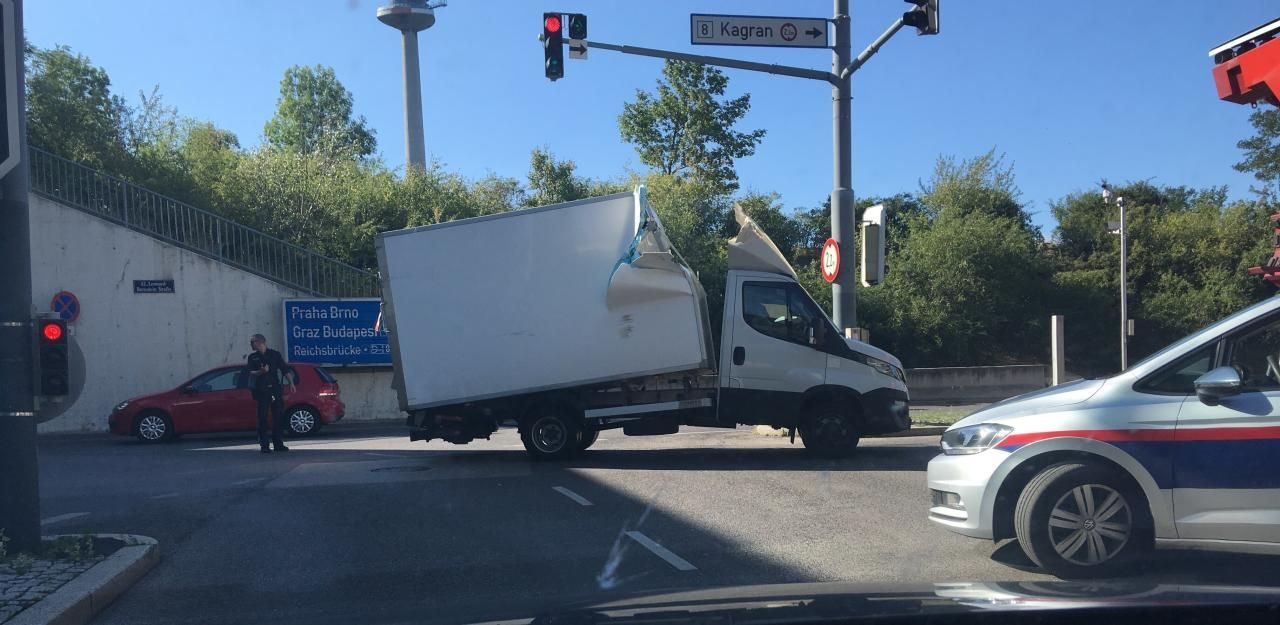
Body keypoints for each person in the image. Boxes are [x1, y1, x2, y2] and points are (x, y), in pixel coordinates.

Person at [245, 333, 296, 453]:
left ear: (260, 342)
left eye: (252, 342)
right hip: (261, 391)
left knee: (278, 417)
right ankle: (264, 445)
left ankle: (278, 444)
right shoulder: (252, 357)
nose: (251, 344)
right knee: (262, 418)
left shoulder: (274, 354)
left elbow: (284, 369)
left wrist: (291, 383)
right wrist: (260, 372)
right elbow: (251, 372)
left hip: (275, 389)